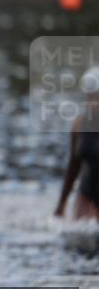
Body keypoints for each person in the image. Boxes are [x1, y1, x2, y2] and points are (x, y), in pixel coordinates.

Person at [55, 66, 99, 221]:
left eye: (96, 96)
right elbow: (73, 165)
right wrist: (61, 203)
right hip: (86, 191)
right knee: (81, 233)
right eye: (89, 95)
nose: (92, 101)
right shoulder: (79, 125)